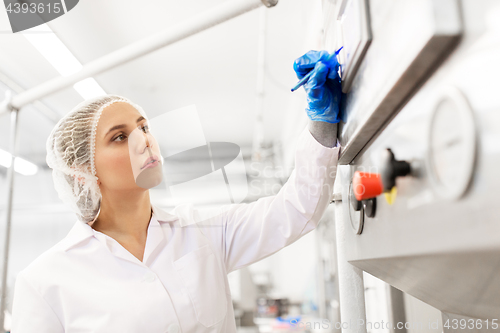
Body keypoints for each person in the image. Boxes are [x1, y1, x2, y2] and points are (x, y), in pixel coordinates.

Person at [10, 50, 343, 333]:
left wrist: (321, 120)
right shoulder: (44, 282)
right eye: (120, 137)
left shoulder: (204, 231)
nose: (144, 140)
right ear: (82, 173)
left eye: (144, 127)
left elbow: (297, 209)